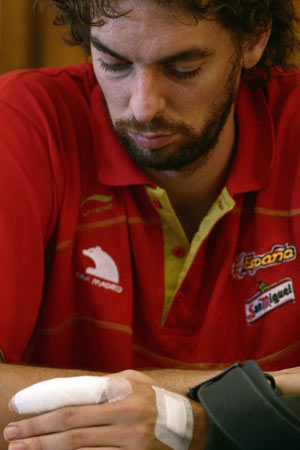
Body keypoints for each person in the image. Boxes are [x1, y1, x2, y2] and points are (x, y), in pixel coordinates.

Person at [1, 0, 300, 448]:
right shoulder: (24, 121)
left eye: (183, 68)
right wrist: (240, 403)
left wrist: (197, 422)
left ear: (254, 37)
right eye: (114, 64)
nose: (143, 107)